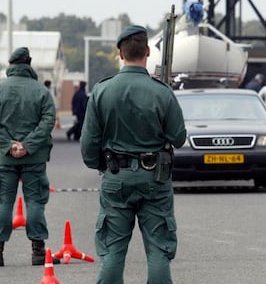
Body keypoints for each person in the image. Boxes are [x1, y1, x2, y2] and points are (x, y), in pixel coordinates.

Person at [80, 25, 187, 284]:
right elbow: (179, 138)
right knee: (159, 251)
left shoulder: (102, 91)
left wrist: (105, 166)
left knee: (112, 252)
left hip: (117, 177)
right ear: (148, 52)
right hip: (155, 180)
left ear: (120, 54)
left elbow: (88, 147)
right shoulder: (162, 92)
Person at [0, 47, 60, 266]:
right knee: (35, 202)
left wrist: (8, 145)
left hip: (6, 159)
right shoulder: (41, 91)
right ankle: (37, 252)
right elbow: (48, 120)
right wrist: (28, 145)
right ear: (29, 63)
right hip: (34, 158)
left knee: (3, 203)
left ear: (11, 65)